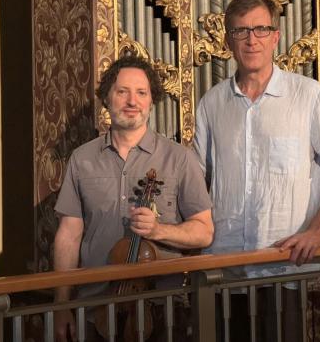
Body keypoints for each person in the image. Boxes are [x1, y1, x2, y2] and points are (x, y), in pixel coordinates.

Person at [193, 0, 320, 341]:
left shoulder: (309, 96)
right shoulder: (212, 103)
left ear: (276, 36)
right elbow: (196, 179)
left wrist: (317, 231)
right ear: (228, 40)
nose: (251, 39)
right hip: (226, 269)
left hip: (287, 267)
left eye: (260, 29)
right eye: (241, 31)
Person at [54, 55, 213, 342]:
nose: (132, 101)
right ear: (107, 98)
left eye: (141, 93)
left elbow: (204, 231)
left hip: (162, 310)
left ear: (152, 101)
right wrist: (62, 305)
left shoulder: (179, 159)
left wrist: (158, 231)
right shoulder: (82, 159)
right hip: (95, 308)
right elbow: (69, 235)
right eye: (122, 91)